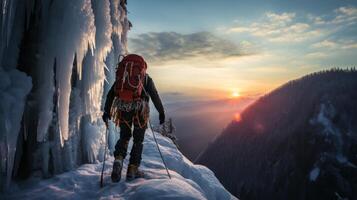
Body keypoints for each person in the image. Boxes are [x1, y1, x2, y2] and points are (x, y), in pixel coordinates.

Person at [102, 54, 165, 182]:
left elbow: (110, 95)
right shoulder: (146, 79)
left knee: (124, 136)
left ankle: (118, 160)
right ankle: (132, 169)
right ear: (143, 69)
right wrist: (161, 112)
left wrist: (107, 112)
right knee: (138, 140)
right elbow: (154, 96)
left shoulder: (123, 78)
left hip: (123, 108)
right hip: (140, 111)